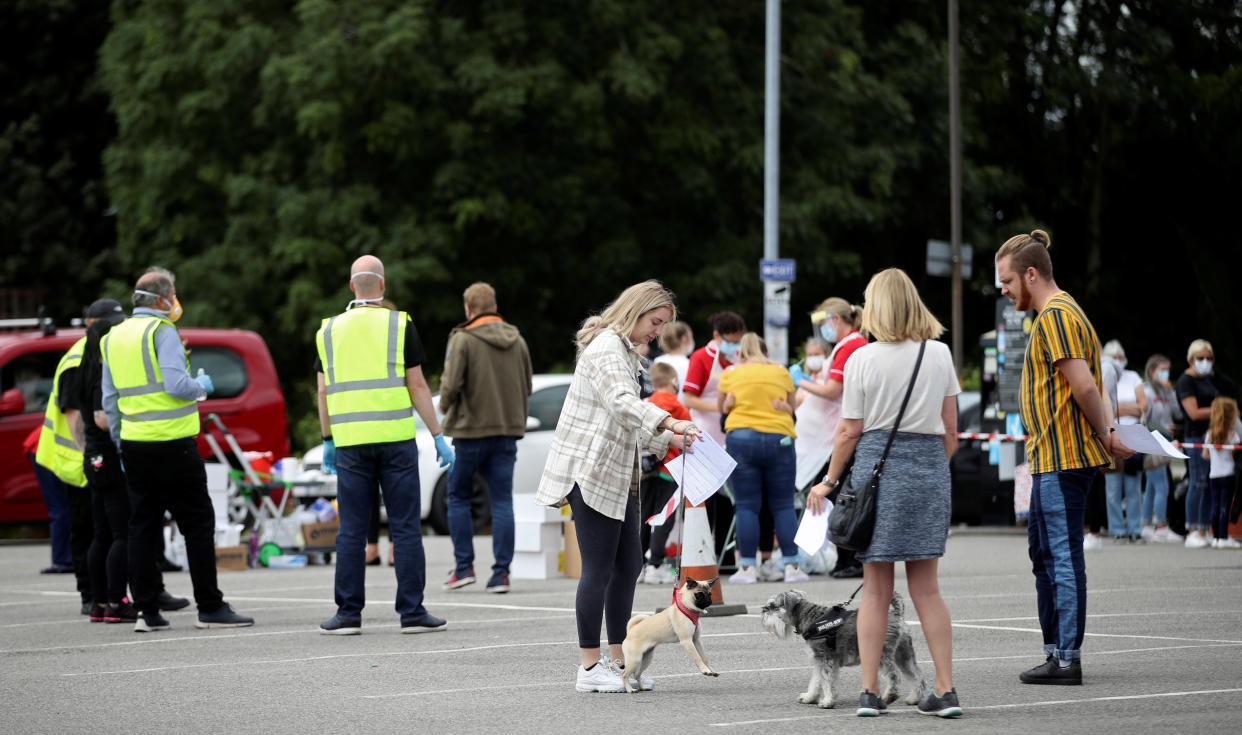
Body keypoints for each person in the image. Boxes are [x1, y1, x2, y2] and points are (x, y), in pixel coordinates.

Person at [806, 268, 963, 718]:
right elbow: (951, 430)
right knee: (927, 589)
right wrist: (930, 471)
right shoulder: (938, 354)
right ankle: (946, 690)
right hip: (930, 470)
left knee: (876, 590)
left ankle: (869, 692)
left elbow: (849, 431)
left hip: (878, 474)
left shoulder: (861, 358)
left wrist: (830, 482)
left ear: (874, 308)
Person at [534, 280, 701, 693]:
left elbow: (627, 423)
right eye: (654, 322)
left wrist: (670, 442)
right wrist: (672, 423)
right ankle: (589, 669)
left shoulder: (625, 352)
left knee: (629, 566)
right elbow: (625, 404)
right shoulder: (608, 347)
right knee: (599, 569)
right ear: (635, 310)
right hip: (589, 472)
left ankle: (618, 661)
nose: (656, 333)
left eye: (662, 326)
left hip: (617, 474)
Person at [994, 230, 1133, 685]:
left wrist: (1106, 431)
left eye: (1007, 281)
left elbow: (1086, 387)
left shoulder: (1055, 316)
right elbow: (1092, 384)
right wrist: (1107, 430)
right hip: (1051, 457)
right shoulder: (1062, 312)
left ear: (1031, 274)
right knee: (1046, 555)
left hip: (1062, 457)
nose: (1004, 290)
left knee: (1061, 557)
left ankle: (1066, 658)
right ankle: (1057, 652)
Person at [102, 267, 254, 632]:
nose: (175, 302)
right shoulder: (162, 331)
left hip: (136, 447)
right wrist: (199, 384)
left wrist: (122, 444)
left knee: (143, 527)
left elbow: (110, 400)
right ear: (161, 299)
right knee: (198, 524)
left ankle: (147, 612)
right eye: (173, 295)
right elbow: (176, 385)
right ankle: (210, 606)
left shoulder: (113, 336)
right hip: (174, 446)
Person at [315, 255, 453, 634]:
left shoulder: (328, 330)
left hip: (350, 445)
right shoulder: (399, 324)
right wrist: (437, 434)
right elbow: (418, 385)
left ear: (351, 287)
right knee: (406, 527)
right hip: (395, 441)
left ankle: (347, 614)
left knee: (352, 531)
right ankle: (412, 612)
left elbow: (323, 391)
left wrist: (327, 439)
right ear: (383, 286)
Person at [439, 282, 533, 593]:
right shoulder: (517, 339)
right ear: (494, 306)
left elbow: (451, 386)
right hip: (507, 431)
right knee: (502, 501)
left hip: (469, 431)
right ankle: (501, 574)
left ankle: (464, 567)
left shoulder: (463, 339)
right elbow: (527, 386)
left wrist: (441, 408)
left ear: (468, 308)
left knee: (458, 497)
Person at [718, 333, 808, 584]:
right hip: (780, 439)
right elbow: (791, 409)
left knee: (746, 505)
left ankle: (746, 568)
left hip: (742, 439)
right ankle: (791, 565)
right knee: (783, 505)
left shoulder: (730, 373)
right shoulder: (780, 372)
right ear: (764, 352)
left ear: (740, 353)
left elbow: (723, 410)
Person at [794, 297, 868, 578]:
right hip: (845, 429)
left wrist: (801, 380)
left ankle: (849, 559)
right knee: (843, 496)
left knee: (840, 495)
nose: (823, 330)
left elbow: (833, 391)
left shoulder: (849, 347)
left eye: (824, 323)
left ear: (836, 320)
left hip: (845, 431)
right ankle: (845, 558)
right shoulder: (853, 345)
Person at [639, 361, 689, 585]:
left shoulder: (647, 403)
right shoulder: (676, 404)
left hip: (650, 468)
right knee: (664, 517)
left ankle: (638, 565)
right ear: (674, 381)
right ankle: (656, 564)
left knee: (645, 516)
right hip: (671, 468)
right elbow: (689, 429)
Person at [1101, 341, 1147, 542]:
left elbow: (1144, 407)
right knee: (1112, 487)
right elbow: (1105, 406)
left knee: (1133, 487)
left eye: (1120, 357)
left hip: (1133, 435)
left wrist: (1119, 408)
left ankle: (1135, 528)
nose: (1117, 361)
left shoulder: (1133, 377)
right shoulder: (1105, 375)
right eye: (1113, 357)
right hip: (1112, 433)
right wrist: (1131, 408)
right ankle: (1117, 529)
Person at [1177, 339, 1220, 549]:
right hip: (1195, 437)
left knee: (1210, 484)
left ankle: (1204, 528)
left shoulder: (1209, 379)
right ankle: (1192, 529)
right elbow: (1193, 413)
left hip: (1212, 436)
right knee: (1197, 482)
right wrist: (1221, 410)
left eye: (1208, 358)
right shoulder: (1185, 381)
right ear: (1191, 359)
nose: (1205, 362)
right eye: (1200, 358)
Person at [1140, 354, 1183, 543]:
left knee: (1151, 487)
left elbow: (1178, 413)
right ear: (1152, 372)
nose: (1166, 374)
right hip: (1152, 442)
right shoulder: (1147, 392)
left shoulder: (1166, 392)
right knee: (1162, 486)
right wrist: (1165, 428)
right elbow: (1145, 421)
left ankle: (1145, 525)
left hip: (1164, 441)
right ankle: (1161, 527)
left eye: (1167, 370)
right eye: (1162, 370)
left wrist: (1172, 393)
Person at [25, 425, 74, 575]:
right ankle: (63, 560)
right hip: (45, 449)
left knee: (62, 507)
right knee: (60, 508)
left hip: (47, 446)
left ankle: (64, 558)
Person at [1202, 397, 1241, 549]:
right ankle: (1224, 537)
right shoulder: (1232, 435)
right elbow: (1234, 457)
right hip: (1228, 474)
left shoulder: (1210, 434)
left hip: (1214, 474)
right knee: (1225, 505)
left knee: (1215, 505)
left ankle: (1216, 537)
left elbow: (1205, 455)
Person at [652, 320, 694, 399]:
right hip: (683, 410)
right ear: (684, 339)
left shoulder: (657, 361)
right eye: (691, 337)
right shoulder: (690, 364)